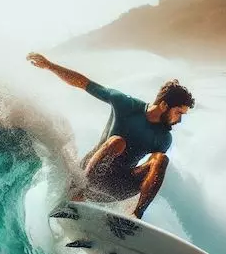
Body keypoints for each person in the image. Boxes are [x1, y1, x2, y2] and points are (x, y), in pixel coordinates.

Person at [26, 52, 195, 219]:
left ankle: (135, 217)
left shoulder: (164, 137)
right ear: (164, 105)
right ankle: (75, 196)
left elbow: (151, 176)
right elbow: (85, 84)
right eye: (178, 113)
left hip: (118, 187)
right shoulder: (126, 105)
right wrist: (49, 65)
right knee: (117, 142)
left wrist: (132, 206)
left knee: (160, 160)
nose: (179, 120)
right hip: (90, 177)